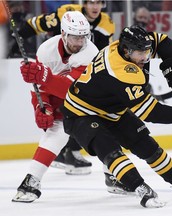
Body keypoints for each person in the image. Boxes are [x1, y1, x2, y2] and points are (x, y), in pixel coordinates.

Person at [59, 25, 172, 208]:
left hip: (111, 109)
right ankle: (140, 187)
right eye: (141, 53)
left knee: (147, 146)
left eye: (147, 51)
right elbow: (149, 111)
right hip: (80, 113)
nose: (146, 57)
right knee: (110, 151)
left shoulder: (131, 48)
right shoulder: (120, 71)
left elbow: (163, 41)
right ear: (126, 50)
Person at [15, 0, 115, 171]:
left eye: (100, 2)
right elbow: (36, 24)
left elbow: (108, 51)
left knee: (92, 108)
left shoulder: (107, 23)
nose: (95, 6)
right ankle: (66, 151)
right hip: (56, 66)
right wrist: (17, 37)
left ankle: (72, 150)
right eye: (91, 2)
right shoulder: (66, 13)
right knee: (61, 110)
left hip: (85, 68)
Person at [12, 11, 99, 203]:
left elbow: (74, 90)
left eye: (83, 37)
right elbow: (40, 88)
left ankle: (114, 176)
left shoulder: (90, 53)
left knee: (107, 135)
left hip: (90, 102)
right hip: (61, 96)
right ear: (63, 34)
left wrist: (44, 77)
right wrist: (41, 107)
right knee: (56, 133)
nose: (80, 42)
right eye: (75, 37)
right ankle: (31, 181)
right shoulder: (46, 50)